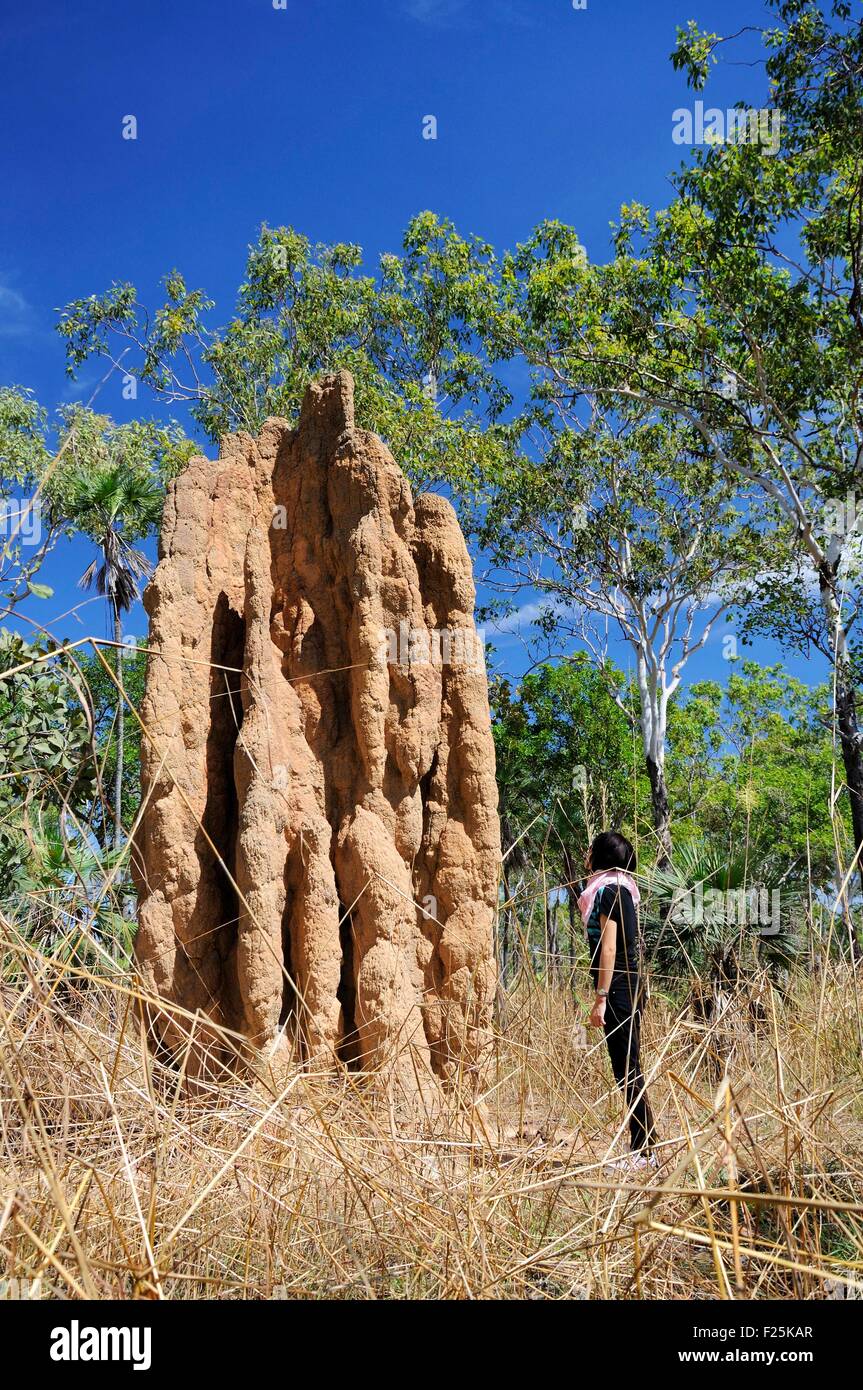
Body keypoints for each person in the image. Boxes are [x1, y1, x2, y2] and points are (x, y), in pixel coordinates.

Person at [578, 830, 656, 1167]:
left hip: (620, 988)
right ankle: (644, 1144)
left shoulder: (610, 890)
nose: (586, 853)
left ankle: (645, 1151)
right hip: (626, 986)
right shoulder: (620, 889)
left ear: (601, 856)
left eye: (590, 849)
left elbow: (609, 948)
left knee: (627, 1068)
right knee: (628, 1066)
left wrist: (601, 998)